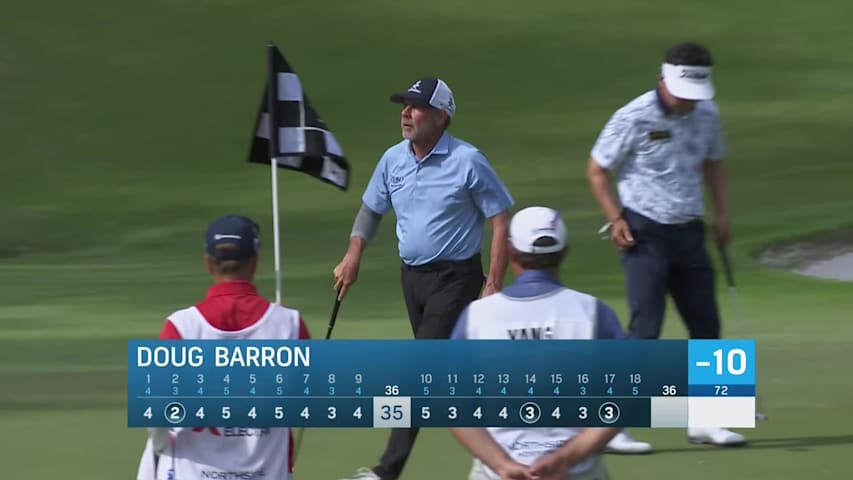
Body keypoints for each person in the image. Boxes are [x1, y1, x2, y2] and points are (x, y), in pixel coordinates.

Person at [334, 77, 515, 480]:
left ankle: (387, 470)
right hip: (412, 279)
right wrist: (353, 255)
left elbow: (500, 218)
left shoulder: (468, 160)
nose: (405, 112)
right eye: (404, 105)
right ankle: (506, 452)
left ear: (440, 116)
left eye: (415, 107)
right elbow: (370, 210)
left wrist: (493, 283)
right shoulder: (392, 159)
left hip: (456, 278)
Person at [586, 41, 746, 448]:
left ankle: (709, 421)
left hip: (690, 230)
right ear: (662, 79)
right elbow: (598, 169)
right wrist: (615, 218)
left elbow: (714, 163)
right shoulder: (633, 116)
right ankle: (611, 426)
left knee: (707, 325)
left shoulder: (707, 113)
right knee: (645, 329)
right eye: (683, 92)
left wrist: (723, 212)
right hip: (645, 231)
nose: (690, 102)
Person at [449, 206, 622, 480]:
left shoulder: (477, 318)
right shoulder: (594, 313)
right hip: (576, 472)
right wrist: (564, 459)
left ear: (510, 251)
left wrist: (503, 465)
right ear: (564, 251)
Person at [135, 215, 311, 480]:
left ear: (208, 262)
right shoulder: (291, 325)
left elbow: (158, 416)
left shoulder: (181, 327)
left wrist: (160, 446)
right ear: (254, 262)